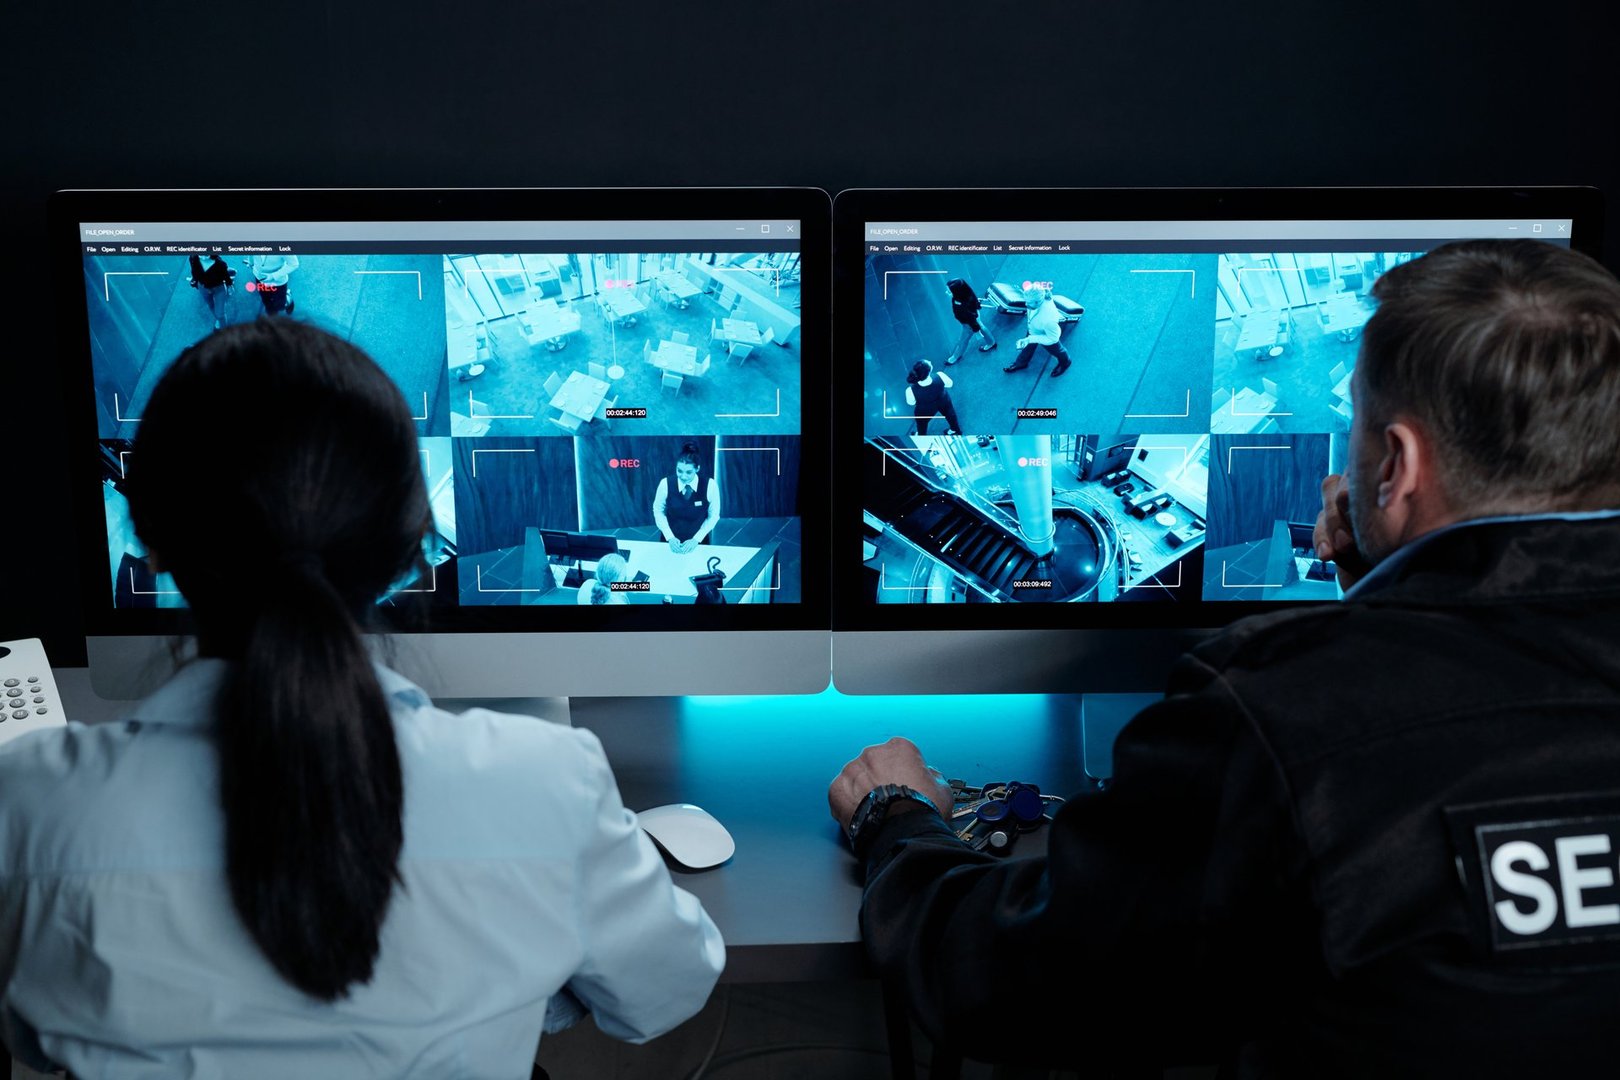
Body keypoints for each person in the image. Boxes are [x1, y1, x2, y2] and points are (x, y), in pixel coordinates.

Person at [828, 240, 1620, 1076]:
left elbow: (1005, 983)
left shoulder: (1280, 704)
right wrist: (1389, 578)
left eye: (1354, 429)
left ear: (1397, 464)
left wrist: (896, 819)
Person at [0, 320, 723, 1077]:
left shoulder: (30, 804)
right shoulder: (552, 783)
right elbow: (664, 995)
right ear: (412, 547)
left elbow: (33, 1037)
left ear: (146, 538)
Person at [653, 441, 719, 554]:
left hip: (698, 542)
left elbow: (713, 516)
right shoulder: (665, 484)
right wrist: (669, 537)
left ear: (697, 468)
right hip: (670, 541)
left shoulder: (710, 485)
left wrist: (696, 539)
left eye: (689, 472)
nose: (683, 476)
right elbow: (658, 511)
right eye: (679, 471)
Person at [1002, 283, 1072, 376]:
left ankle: (1065, 362)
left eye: (1029, 302)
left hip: (1045, 333)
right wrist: (1030, 338)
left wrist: (1031, 339)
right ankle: (1021, 363)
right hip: (1034, 328)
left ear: (1037, 302)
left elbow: (1053, 338)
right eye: (1026, 301)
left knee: (1057, 350)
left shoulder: (1048, 320)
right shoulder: (1037, 293)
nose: (1026, 304)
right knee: (1028, 345)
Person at [943, 277, 996, 365]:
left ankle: (955, 356)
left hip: (969, 323)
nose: (947, 292)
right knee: (981, 326)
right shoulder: (967, 294)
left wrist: (976, 331)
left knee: (963, 340)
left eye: (949, 291)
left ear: (957, 292)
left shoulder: (962, 304)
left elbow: (971, 320)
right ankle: (991, 342)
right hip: (974, 316)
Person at [903, 358, 961, 436]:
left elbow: (911, 403)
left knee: (922, 424)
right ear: (929, 371)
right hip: (943, 400)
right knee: (950, 414)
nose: (930, 361)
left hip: (925, 409)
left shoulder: (910, 390)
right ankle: (955, 430)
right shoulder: (940, 375)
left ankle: (921, 436)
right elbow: (950, 384)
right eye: (928, 362)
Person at [186, 251, 235, 329]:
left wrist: (229, 285)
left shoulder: (219, 263)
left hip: (218, 288)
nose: (203, 257)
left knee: (220, 314)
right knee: (211, 305)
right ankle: (218, 319)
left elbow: (225, 276)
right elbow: (194, 271)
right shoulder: (193, 258)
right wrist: (194, 280)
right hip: (203, 288)